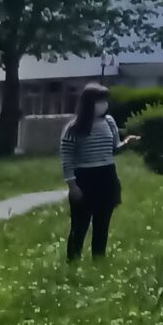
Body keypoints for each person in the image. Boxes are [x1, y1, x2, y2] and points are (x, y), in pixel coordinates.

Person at [58, 82, 136, 263]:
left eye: (104, 100)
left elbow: (114, 148)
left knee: (102, 223)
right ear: (88, 103)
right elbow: (67, 158)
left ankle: (99, 261)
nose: (103, 104)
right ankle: (73, 261)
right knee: (80, 225)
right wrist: (72, 185)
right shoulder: (73, 128)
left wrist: (126, 143)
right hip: (84, 178)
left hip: (107, 176)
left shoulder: (109, 122)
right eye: (99, 101)